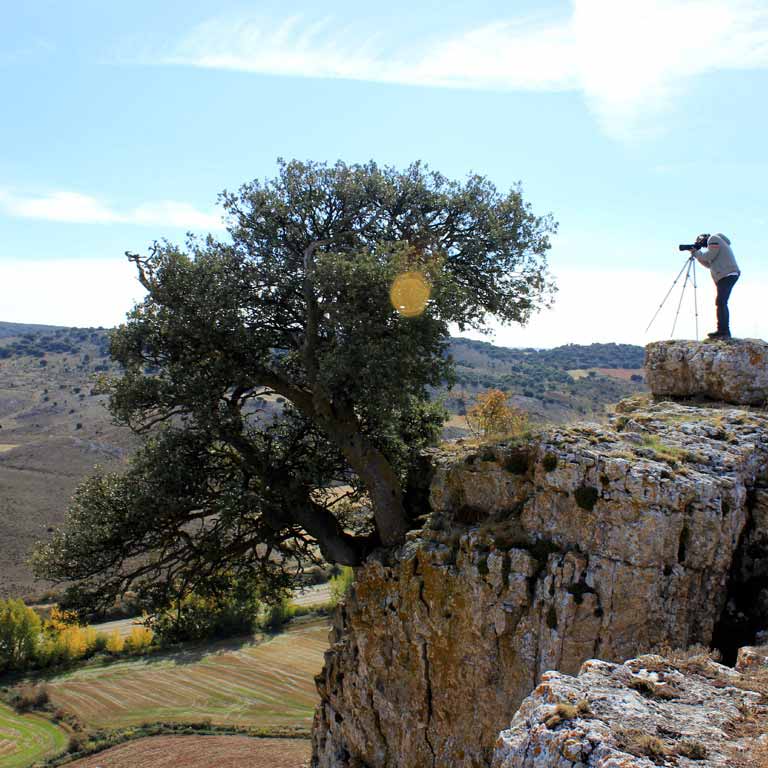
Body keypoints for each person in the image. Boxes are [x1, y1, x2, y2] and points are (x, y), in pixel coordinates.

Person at [691, 233, 740, 339]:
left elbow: (708, 256)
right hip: (728, 274)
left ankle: (723, 331)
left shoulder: (713, 239)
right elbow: (709, 263)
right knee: (721, 302)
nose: (701, 243)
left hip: (727, 274)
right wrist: (697, 255)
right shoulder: (719, 243)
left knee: (721, 302)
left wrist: (696, 252)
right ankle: (723, 330)